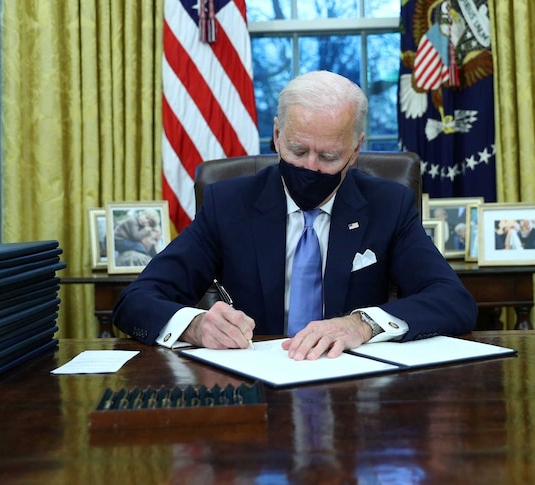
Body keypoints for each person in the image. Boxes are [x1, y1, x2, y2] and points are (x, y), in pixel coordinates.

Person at [113, 70, 477, 360]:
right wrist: (194, 326)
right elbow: (137, 299)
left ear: (355, 150)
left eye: (330, 156)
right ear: (276, 134)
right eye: (298, 149)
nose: (311, 167)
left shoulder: (388, 205)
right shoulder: (229, 204)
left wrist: (362, 324)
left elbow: (452, 299)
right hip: (255, 389)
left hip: (354, 391)